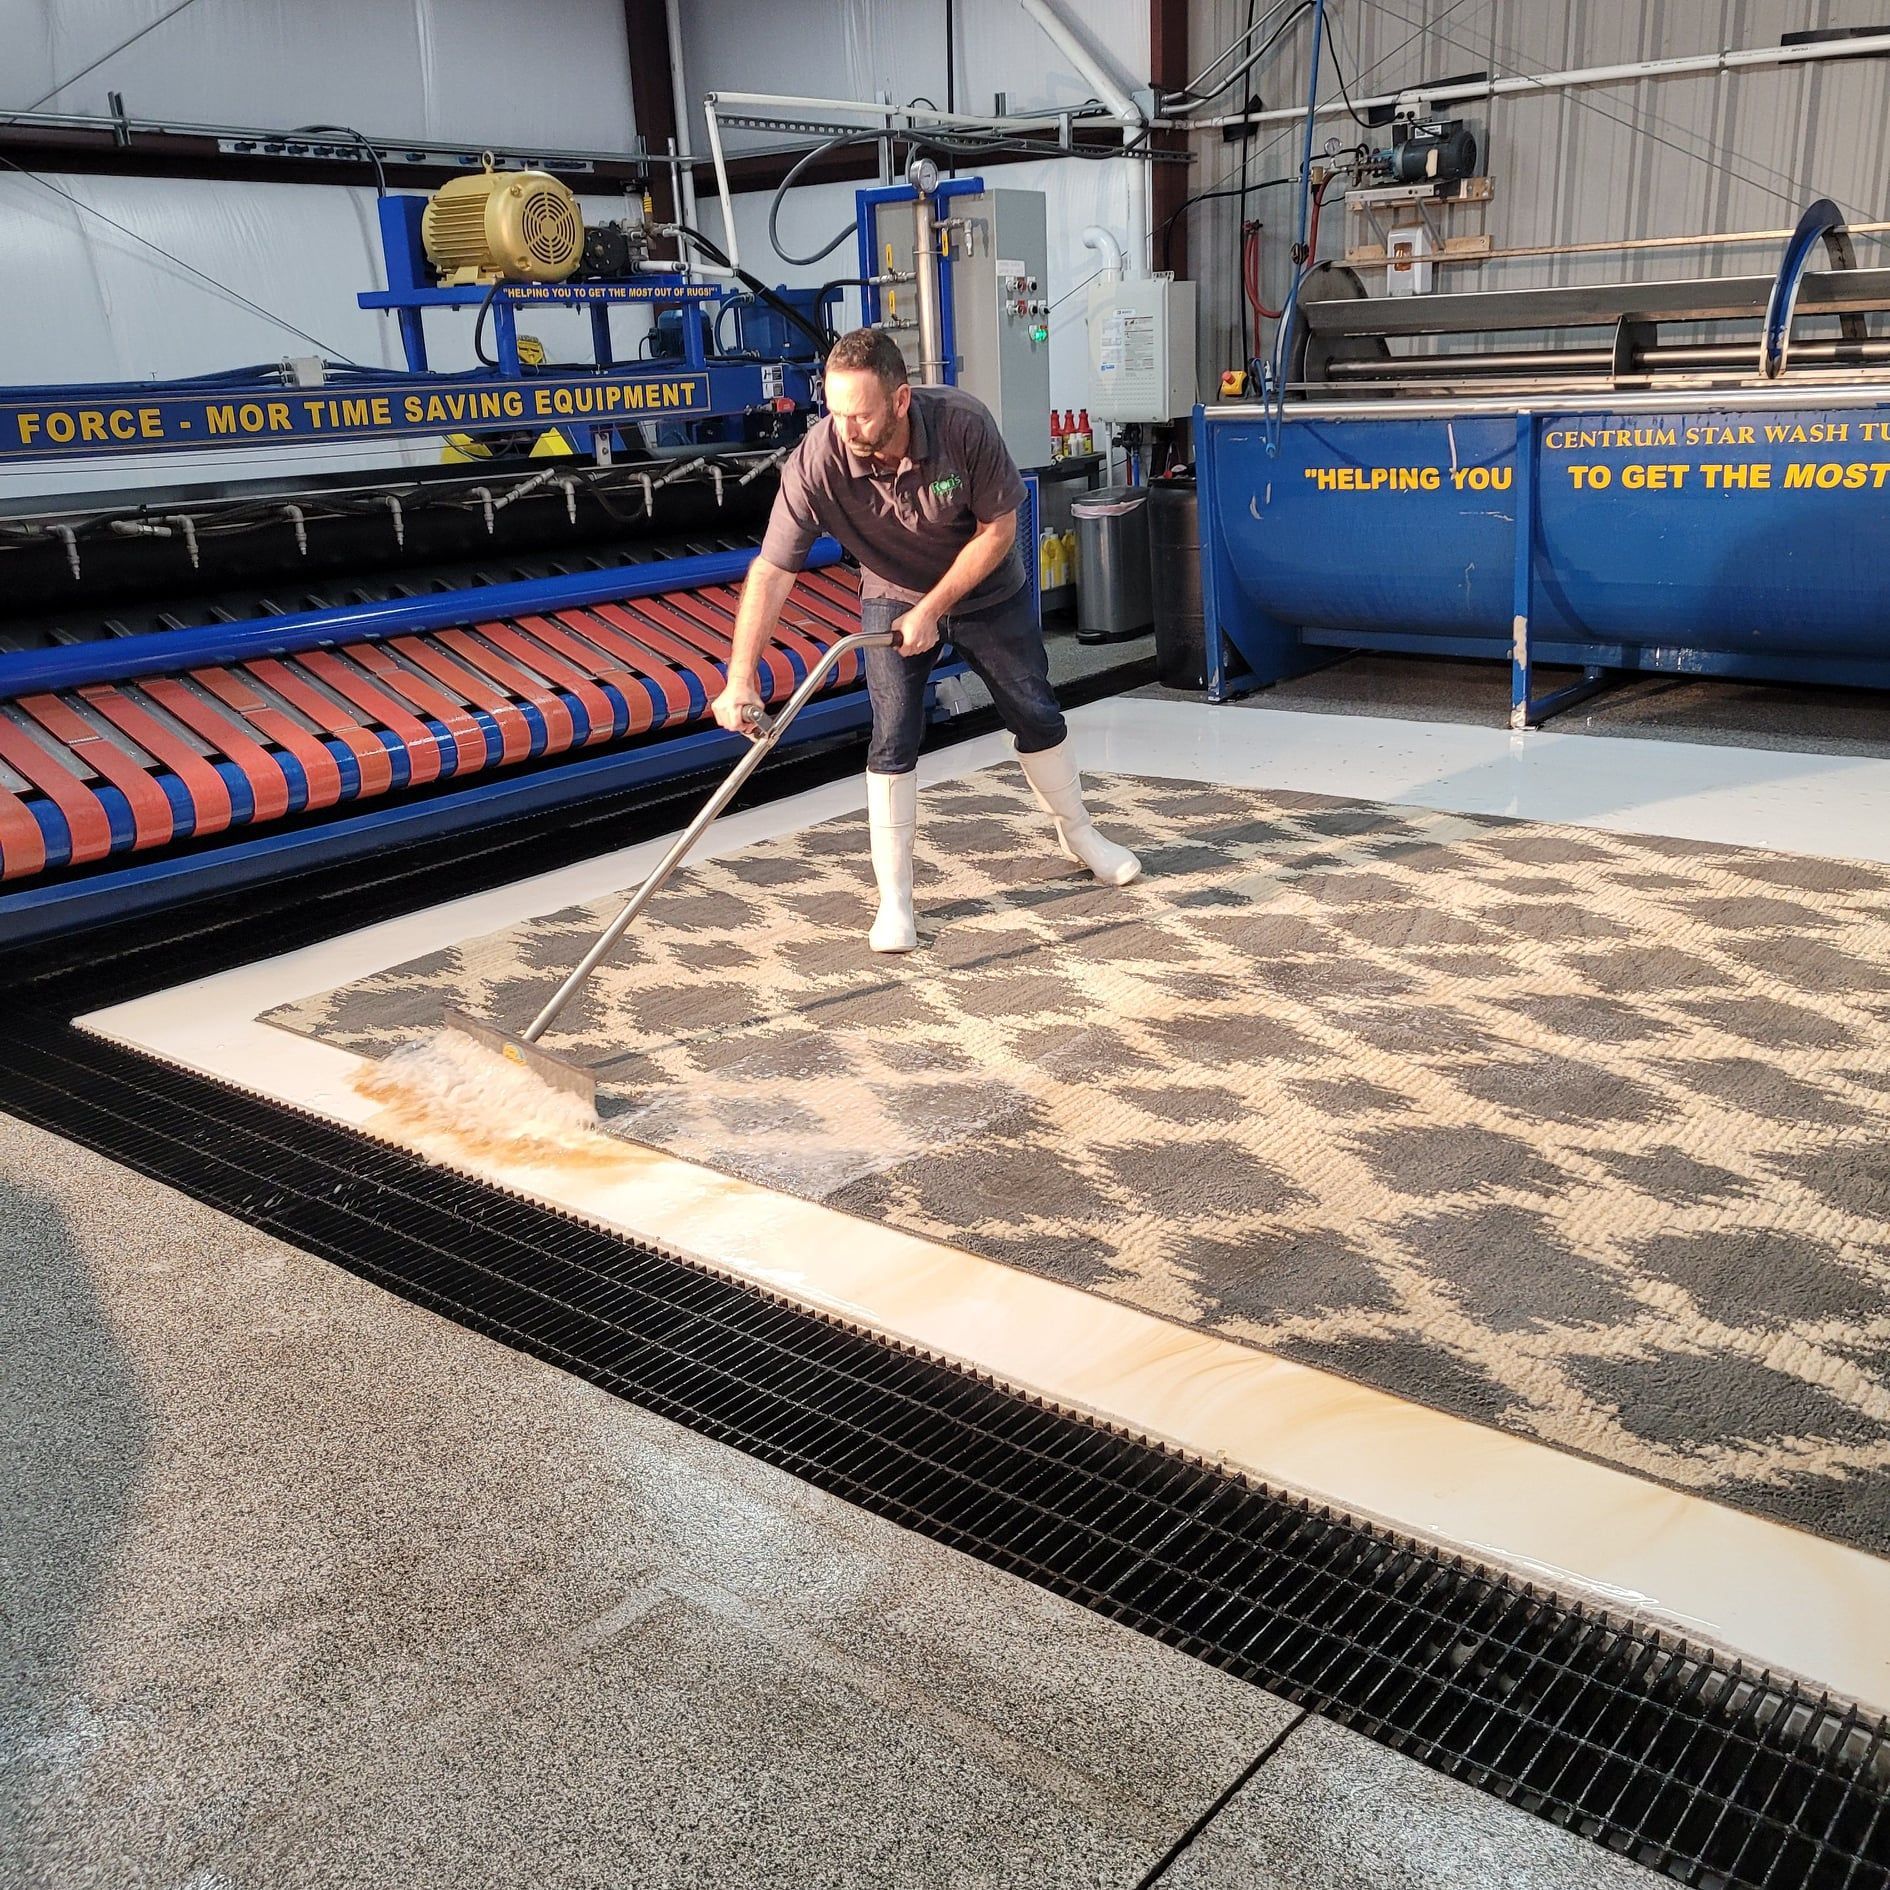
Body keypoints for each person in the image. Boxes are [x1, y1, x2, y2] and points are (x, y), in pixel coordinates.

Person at [712, 328, 1139, 953]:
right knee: (892, 735)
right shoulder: (817, 459)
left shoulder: (963, 424)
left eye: (860, 414)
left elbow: (999, 530)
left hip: (987, 589)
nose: (846, 429)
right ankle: (896, 902)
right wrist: (740, 676)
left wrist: (935, 608)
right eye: (835, 412)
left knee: (1035, 710)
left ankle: (1081, 836)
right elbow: (773, 570)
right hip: (891, 595)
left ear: (901, 399)